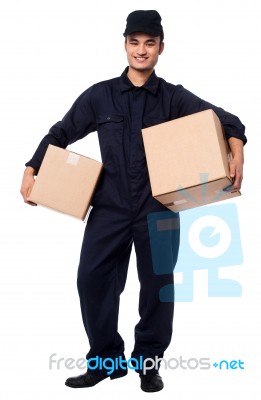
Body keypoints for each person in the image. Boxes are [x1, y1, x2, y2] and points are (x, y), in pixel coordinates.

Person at [20, 10, 247, 392]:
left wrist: (236, 147)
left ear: (161, 47)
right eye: (134, 41)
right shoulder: (100, 95)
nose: (141, 50)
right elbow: (61, 132)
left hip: (157, 208)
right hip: (109, 206)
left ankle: (148, 364)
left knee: (158, 287)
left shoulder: (173, 97)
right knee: (92, 280)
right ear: (124, 44)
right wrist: (32, 166)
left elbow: (226, 119)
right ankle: (107, 361)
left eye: (150, 43)